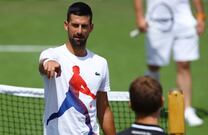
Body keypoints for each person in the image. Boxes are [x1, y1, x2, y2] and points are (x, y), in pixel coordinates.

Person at [39, 2, 116, 135]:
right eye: (75, 25)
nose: (79, 31)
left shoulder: (100, 63)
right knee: (59, 113)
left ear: (91, 28)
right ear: (66, 25)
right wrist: (48, 63)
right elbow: (43, 64)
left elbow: (103, 109)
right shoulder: (52, 54)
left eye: (84, 26)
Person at [134, 0, 205, 126]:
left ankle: (187, 109)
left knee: (184, 65)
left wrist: (200, 15)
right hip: (156, 20)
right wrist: (139, 16)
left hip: (184, 20)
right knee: (153, 66)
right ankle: (151, 106)